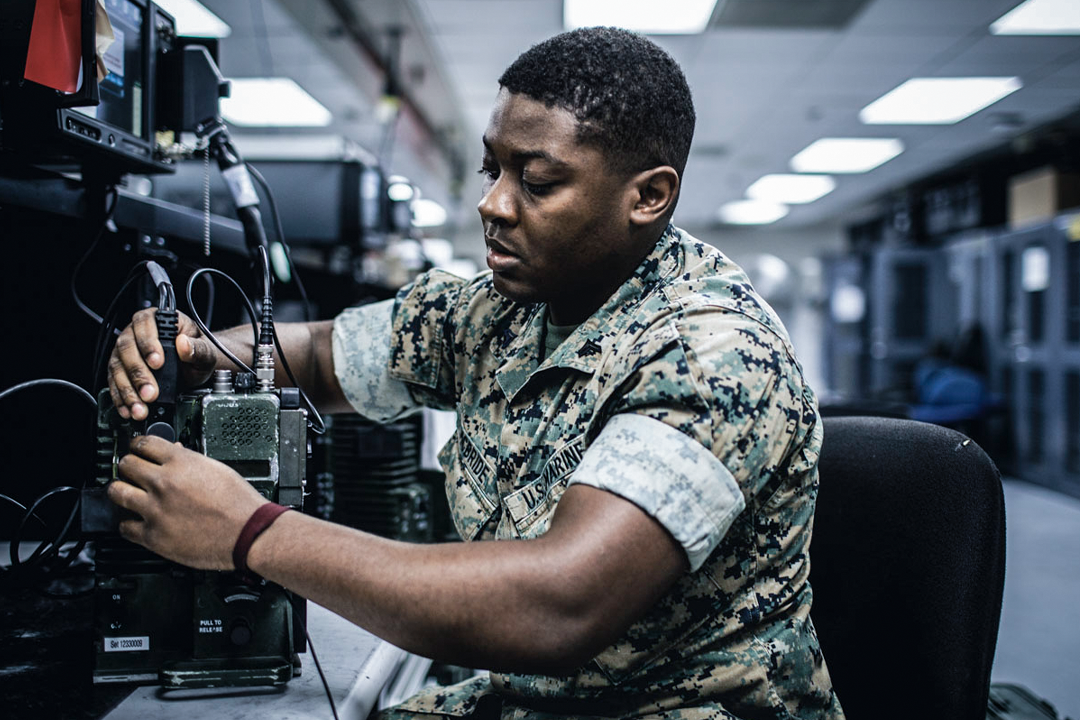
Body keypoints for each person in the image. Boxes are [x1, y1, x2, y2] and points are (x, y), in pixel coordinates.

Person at [106, 27, 844, 720]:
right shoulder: (505, 310)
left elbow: (557, 607)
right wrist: (200, 350)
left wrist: (250, 530)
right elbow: (325, 353)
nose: (492, 203)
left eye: (538, 180)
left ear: (647, 196)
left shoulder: (712, 356)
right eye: (494, 169)